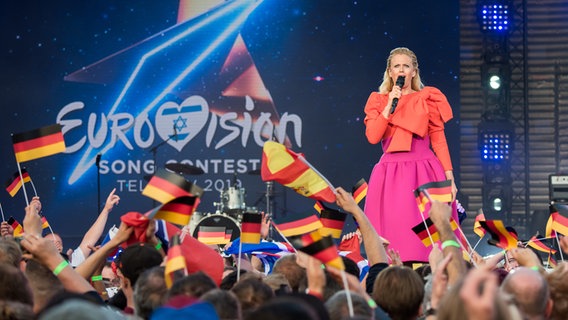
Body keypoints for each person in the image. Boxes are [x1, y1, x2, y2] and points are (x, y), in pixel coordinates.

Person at [363, 47, 458, 263]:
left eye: (406, 66)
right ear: (389, 72)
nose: (402, 70)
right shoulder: (378, 101)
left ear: (414, 71)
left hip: (424, 171)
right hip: (390, 175)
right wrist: (389, 106)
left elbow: (439, 140)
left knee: (429, 236)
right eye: (397, 66)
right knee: (393, 236)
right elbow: (373, 136)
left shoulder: (427, 99)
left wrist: (449, 177)